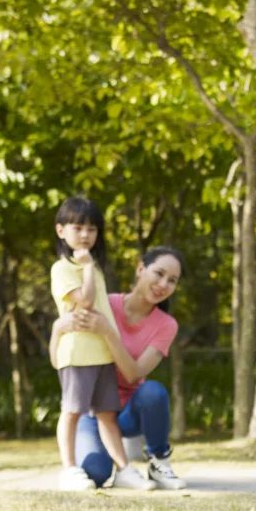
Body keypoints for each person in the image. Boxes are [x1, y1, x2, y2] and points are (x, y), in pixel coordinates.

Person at [51, 246, 188, 491]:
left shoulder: (166, 325)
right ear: (140, 269)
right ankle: (113, 464)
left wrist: (108, 331)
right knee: (95, 473)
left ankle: (159, 461)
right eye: (159, 274)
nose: (163, 284)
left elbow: (133, 374)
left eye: (172, 280)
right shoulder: (106, 303)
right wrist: (57, 328)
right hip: (94, 411)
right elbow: (66, 349)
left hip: (128, 413)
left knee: (153, 393)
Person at [50, 197, 154, 492]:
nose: (85, 235)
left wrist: (88, 268)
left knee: (107, 414)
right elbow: (83, 301)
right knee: (72, 411)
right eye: (78, 227)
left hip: (102, 353)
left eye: (92, 229)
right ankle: (69, 470)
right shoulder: (63, 268)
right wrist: (85, 267)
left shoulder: (92, 268)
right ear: (61, 230)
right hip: (77, 353)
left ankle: (124, 470)